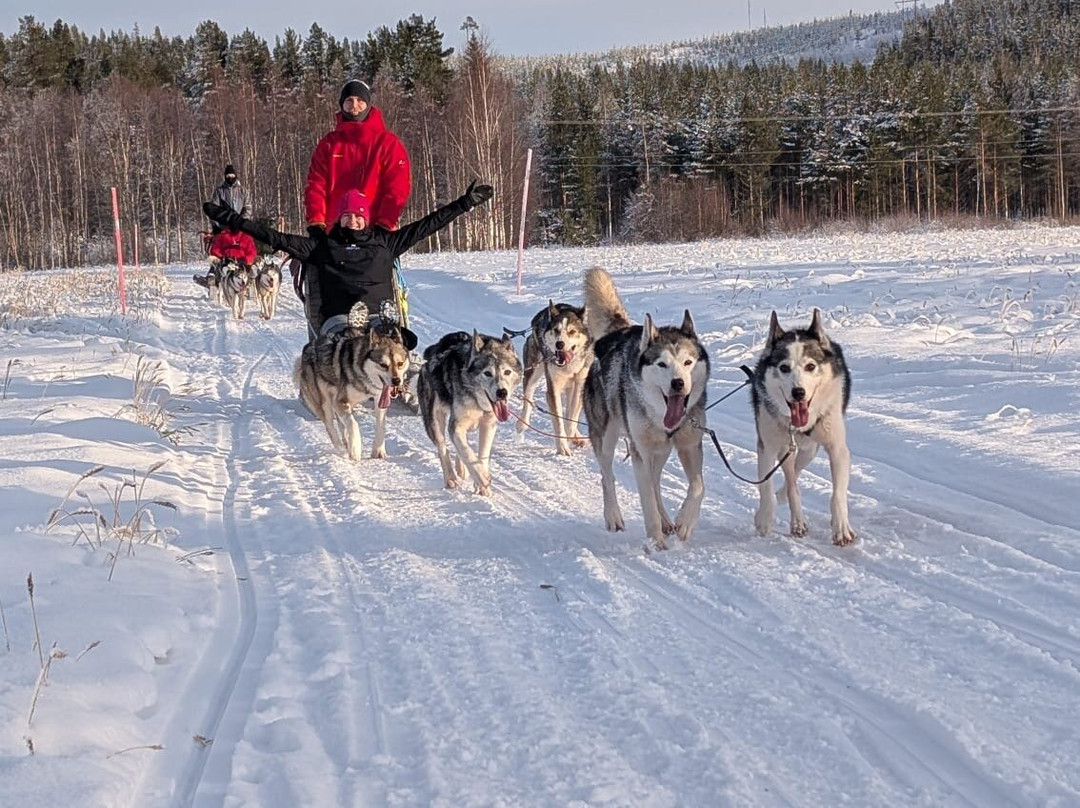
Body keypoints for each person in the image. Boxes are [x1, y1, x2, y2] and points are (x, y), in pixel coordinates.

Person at [204, 181, 493, 341]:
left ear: (365, 218)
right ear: (339, 218)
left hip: (381, 315)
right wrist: (229, 219)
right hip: (338, 319)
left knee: (393, 338)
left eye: (358, 215)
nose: (352, 220)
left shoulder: (385, 243)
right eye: (347, 215)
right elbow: (273, 236)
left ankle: (400, 375)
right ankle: (348, 368)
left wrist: (464, 203)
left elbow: (428, 225)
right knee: (347, 338)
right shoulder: (321, 246)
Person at [299, 80, 412, 338]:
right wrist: (316, 223)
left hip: (373, 235)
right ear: (342, 105)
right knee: (322, 295)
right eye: (349, 101)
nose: (355, 105)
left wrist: (384, 224)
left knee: (383, 298)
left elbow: (397, 187)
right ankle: (321, 347)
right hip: (333, 236)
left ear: (369, 104)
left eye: (360, 100)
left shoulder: (387, 144)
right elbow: (315, 185)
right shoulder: (329, 145)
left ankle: (393, 347)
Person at [208, 164, 251, 235]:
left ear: (235, 176)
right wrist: (216, 226)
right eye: (228, 176)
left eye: (232, 176)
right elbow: (213, 210)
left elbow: (248, 208)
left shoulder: (243, 191)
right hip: (223, 227)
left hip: (240, 227)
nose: (230, 178)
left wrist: (241, 222)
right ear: (225, 177)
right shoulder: (219, 191)